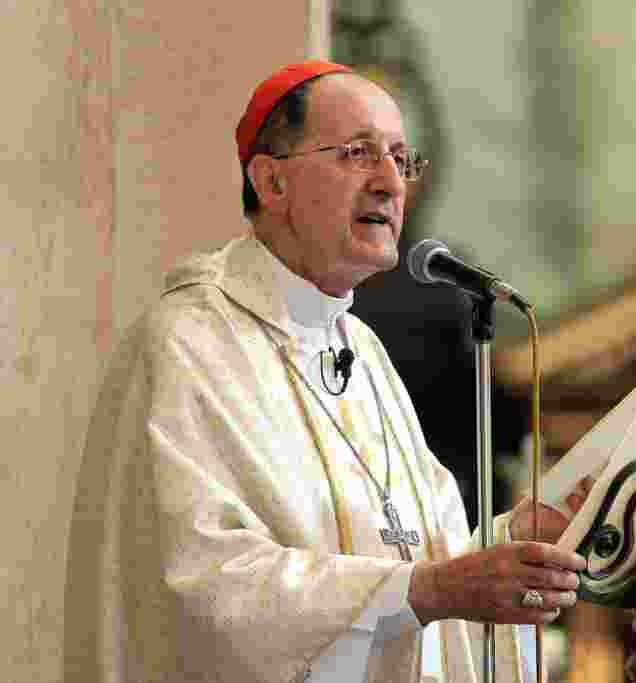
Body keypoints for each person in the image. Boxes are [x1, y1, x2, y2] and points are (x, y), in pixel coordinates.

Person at [63, 60, 592, 683]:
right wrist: (431, 588)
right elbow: (202, 587)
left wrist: (510, 542)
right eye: (357, 153)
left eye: (401, 158)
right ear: (271, 182)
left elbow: (418, 572)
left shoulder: (361, 351)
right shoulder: (191, 344)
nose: (390, 182)